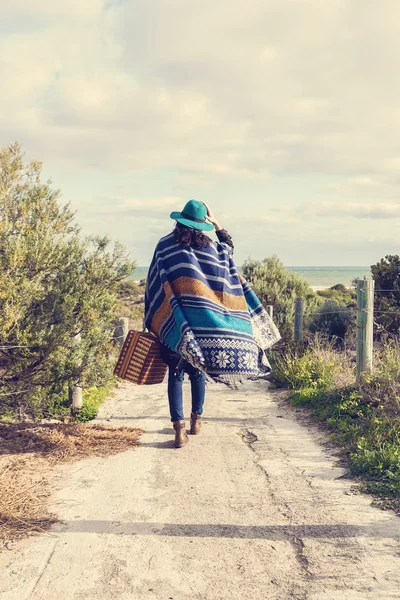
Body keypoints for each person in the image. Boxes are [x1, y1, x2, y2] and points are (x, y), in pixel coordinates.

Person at [144, 199, 280, 448]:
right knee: (197, 372)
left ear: (178, 220)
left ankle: (179, 430)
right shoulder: (214, 249)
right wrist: (218, 225)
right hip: (204, 323)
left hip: (176, 322)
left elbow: (155, 280)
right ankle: (196, 420)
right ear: (202, 225)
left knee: (175, 375)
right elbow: (228, 249)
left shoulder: (164, 246)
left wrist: (154, 315)